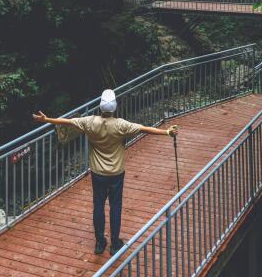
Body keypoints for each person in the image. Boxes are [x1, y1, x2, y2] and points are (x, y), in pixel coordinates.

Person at [33, 88, 179, 256]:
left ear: (100, 107)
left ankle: (100, 242)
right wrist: (167, 132)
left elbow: (68, 122)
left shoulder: (90, 122)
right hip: (116, 173)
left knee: (98, 206)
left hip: (98, 173)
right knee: (115, 207)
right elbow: (144, 129)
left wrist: (46, 119)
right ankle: (115, 243)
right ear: (114, 107)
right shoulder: (121, 125)